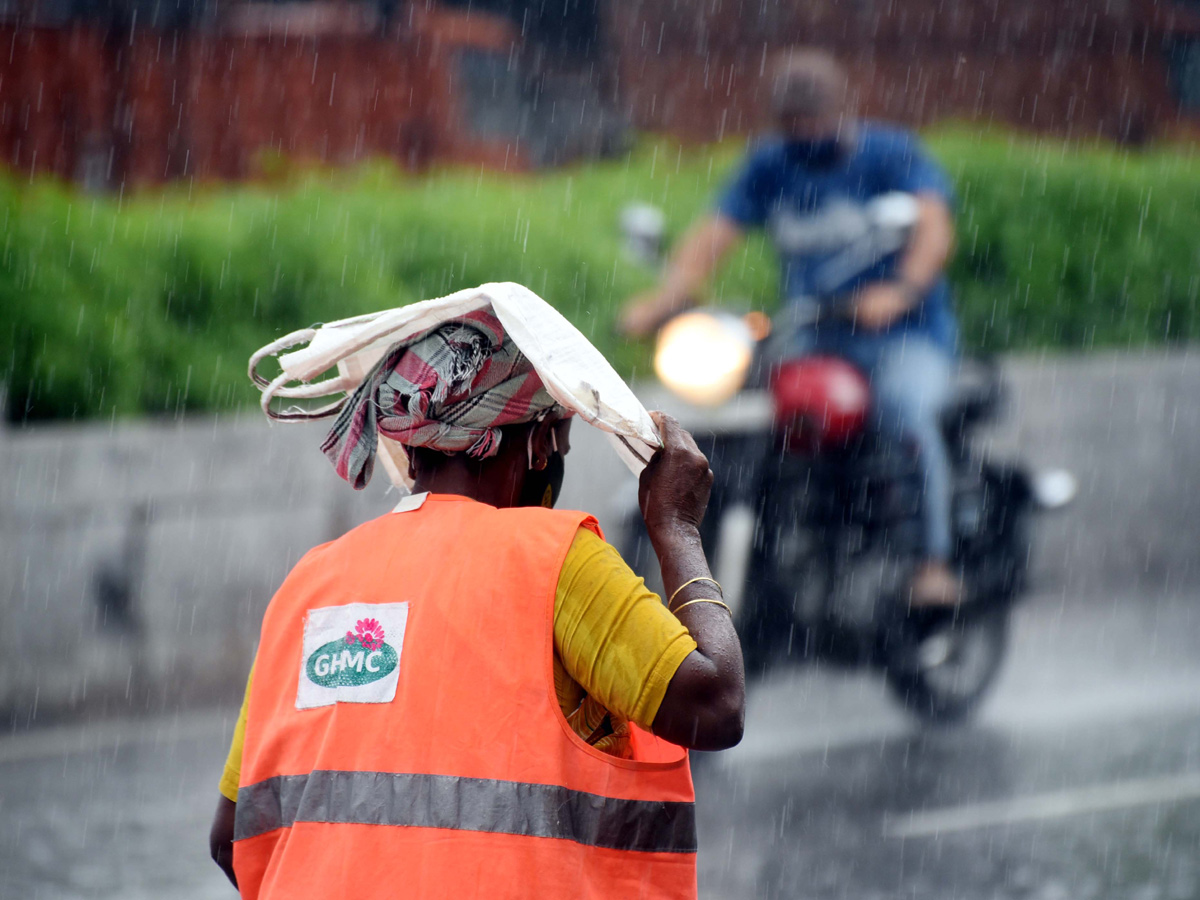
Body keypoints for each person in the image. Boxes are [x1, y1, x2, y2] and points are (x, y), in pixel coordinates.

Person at [209, 308, 744, 899]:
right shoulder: (555, 559)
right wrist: (677, 529)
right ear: (540, 445)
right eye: (559, 441)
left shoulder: (308, 586)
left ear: (412, 451)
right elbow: (716, 704)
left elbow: (231, 833)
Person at [621, 48, 962, 606]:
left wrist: (900, 290)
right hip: (812, 337)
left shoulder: (891, 153)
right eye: (793, 122)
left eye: (813, 119)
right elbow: (714, 234)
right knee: (744, 414)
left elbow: (933, 226)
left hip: (903, 337)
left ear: (840, 110)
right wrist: (667, 296)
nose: (804, 132)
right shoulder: (771, 163)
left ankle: (933, 563)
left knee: (904, 414)